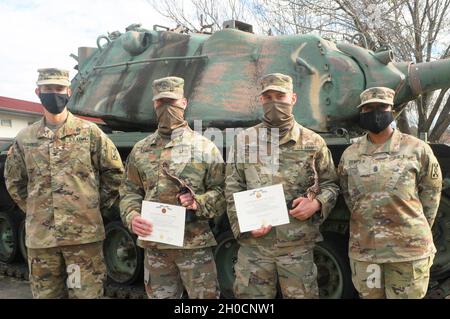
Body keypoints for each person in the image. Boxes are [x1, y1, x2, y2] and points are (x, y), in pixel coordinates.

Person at [4, 68, 124, 298]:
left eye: (59, 89)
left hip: (83, 240)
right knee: (47, 295)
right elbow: (14, 180)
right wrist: (34, 210)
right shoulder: (25, 138)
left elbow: (114, 172)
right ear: (38, 92)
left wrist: (93, 206)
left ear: (68, 91)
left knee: (85, 294)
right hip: (42, 240)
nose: (54, 94)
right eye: (48, 89)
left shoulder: (90, 133)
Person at [225, 73, 339, 298]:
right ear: (261, 100)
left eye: (280, 95)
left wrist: (316, 204)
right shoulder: (244, 140)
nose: (274, 101)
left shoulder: (313, 142)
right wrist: (243, 226)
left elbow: (331, 185)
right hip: (254, 247)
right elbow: (232, 187)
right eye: (268, 96)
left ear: (293, 98)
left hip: (296, 248)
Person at [120, 76, 225, 299]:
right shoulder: (140, 149)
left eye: (172, 101)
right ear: (154, 105)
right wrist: (132, 216)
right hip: (156, 248)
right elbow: (130, 191)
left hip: (194, 247)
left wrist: (200, 202)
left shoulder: (205, 147)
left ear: (184, 103)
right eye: (161, 102)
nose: (167, 107)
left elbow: (222, 191)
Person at [338, 87, 442, 299]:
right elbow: (350, 197)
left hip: (408, 252)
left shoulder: (417, 149)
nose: (375, 113)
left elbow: (431, 195)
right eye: (369, 108)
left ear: (392, 110)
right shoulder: (350, 155)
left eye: (382, 107)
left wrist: (412, 227)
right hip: (366, 252)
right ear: (361, 111)